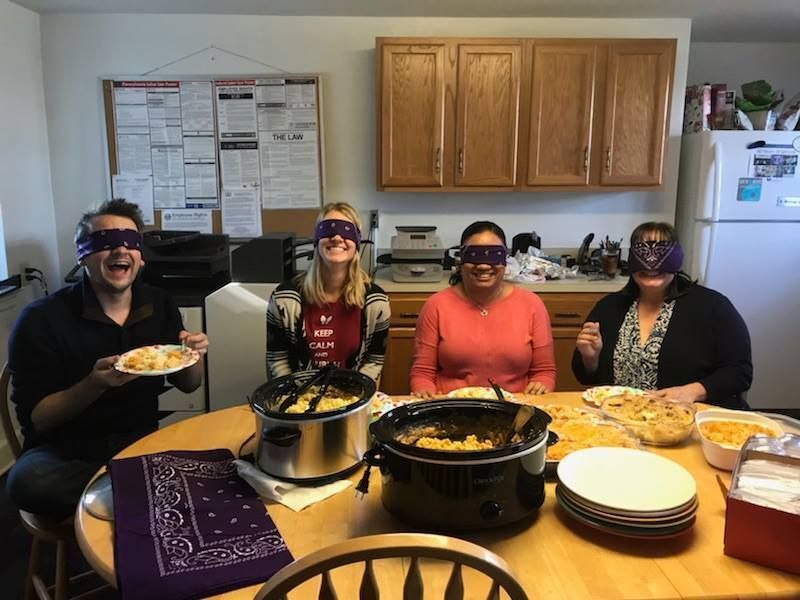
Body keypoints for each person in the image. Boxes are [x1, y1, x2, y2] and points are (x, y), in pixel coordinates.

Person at [5, 199, 209, 518]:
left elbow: (188, 384)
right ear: (82, 255)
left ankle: (130, 489)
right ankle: (141, 490)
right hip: (65, 453)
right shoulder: (40, 319)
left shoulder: (159, 303)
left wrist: (193, 357)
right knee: (28, 483)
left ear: (140, 258)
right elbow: (39, 418)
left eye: (129, 242)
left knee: (222, 456)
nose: (120, 251)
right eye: (106, 242)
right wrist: (93, 385)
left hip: (138, 441)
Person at [572, 221, 752, 408]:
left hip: (689, 419)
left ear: (677, 258)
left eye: (661, 252)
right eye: (643, 252)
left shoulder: (713, 307)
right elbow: (584, 376)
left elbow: (740, 372)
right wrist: (590, 359)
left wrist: (691, 391)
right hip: (620, 420)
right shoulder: (608, 308)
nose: (651, 263)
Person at [410, 221, 556, 397]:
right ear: (461, 259)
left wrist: (540, 385)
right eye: (475, 255)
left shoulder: (532, 305)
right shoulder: (436, 306)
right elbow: (422, 372)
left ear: (505, 261)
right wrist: (425, 393)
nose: (484, 265)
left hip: (515, 408)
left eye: (493, 255)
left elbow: (544, 371)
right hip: (454, 408)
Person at [266, 202, 389, 382]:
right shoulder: (284, 299)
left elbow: (373, 362)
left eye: (346, 230)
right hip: (298, 399)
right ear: (317, 238)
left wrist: (353, 396)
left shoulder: (376, 301)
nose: (337, 237)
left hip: (352, 395)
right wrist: (298, 397)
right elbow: (278, 359)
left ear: (357, 241)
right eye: (328, 229)